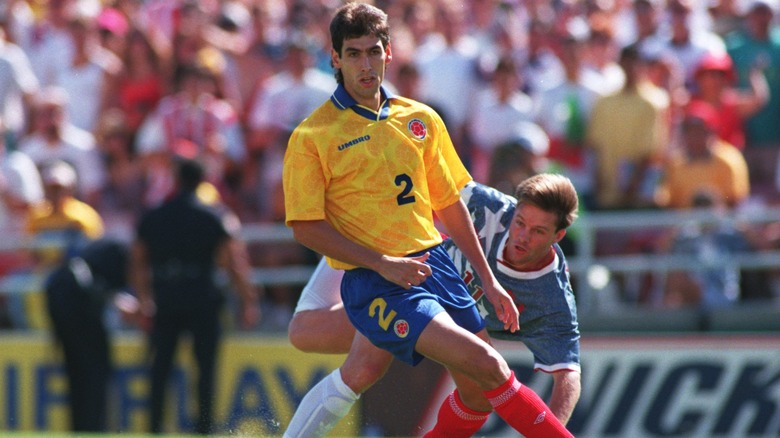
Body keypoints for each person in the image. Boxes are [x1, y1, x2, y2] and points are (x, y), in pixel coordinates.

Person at [282, 4, 572, 438]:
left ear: (389, 53)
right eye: (354, 53)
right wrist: (381, 263)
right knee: (487, 364)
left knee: (475, 394)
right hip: (378, 279)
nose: (366, 64)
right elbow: (305, 227)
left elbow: (449, 203)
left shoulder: (420, 119)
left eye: (373, 52)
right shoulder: (313, 136)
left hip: (436, 265)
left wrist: (489, 281)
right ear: (336, 58)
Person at [285, 174, 581, 437]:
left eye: (538, 232)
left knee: (478, 394)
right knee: (312, 338)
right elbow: (411, 187)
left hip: (445, 313)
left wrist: (552, 425)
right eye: (520, 223)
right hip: (404, 277)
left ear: (558, 237)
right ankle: (343, 250)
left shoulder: (551, 297)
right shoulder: (487, 206)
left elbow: (568, 373)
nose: (522, 236)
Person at [129, 157, 260, 434]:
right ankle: (203, 428)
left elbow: (138, 261)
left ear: (176, 181)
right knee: (205, 369)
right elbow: (234, 262)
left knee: (160, 367)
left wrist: (143, 299)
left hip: (166, 295)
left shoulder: (155, 215)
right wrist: (247, 301)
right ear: (203, 182)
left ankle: (154, 427)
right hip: (203, 294)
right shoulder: (214, 215)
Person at [44, 238, 129, 433]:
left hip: (61, 299)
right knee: (94, 371)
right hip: (76, 306)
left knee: (79, 372)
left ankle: (83, 428)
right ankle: (93, 428)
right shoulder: (116, 254)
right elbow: (90, 285)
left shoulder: (101, 254)